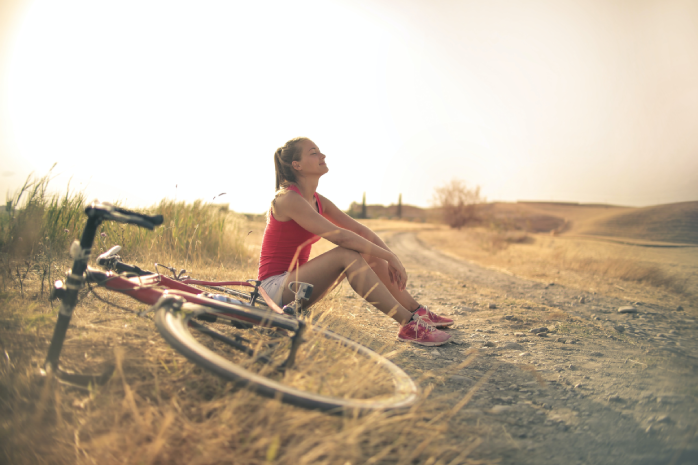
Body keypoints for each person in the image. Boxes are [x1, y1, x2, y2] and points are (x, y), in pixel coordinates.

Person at [257, 137, 453, 346]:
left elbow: (359, 230)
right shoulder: (287, 199)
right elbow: (340, 236)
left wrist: (391, 257)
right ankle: (408, 324)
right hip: (272, 290)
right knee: (347, 253)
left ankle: (417, 312)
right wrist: (388, 256)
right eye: (313, 152)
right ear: (297, 165)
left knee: (367, 250)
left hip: (298, 289)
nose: (322, 155)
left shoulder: (317, 200)